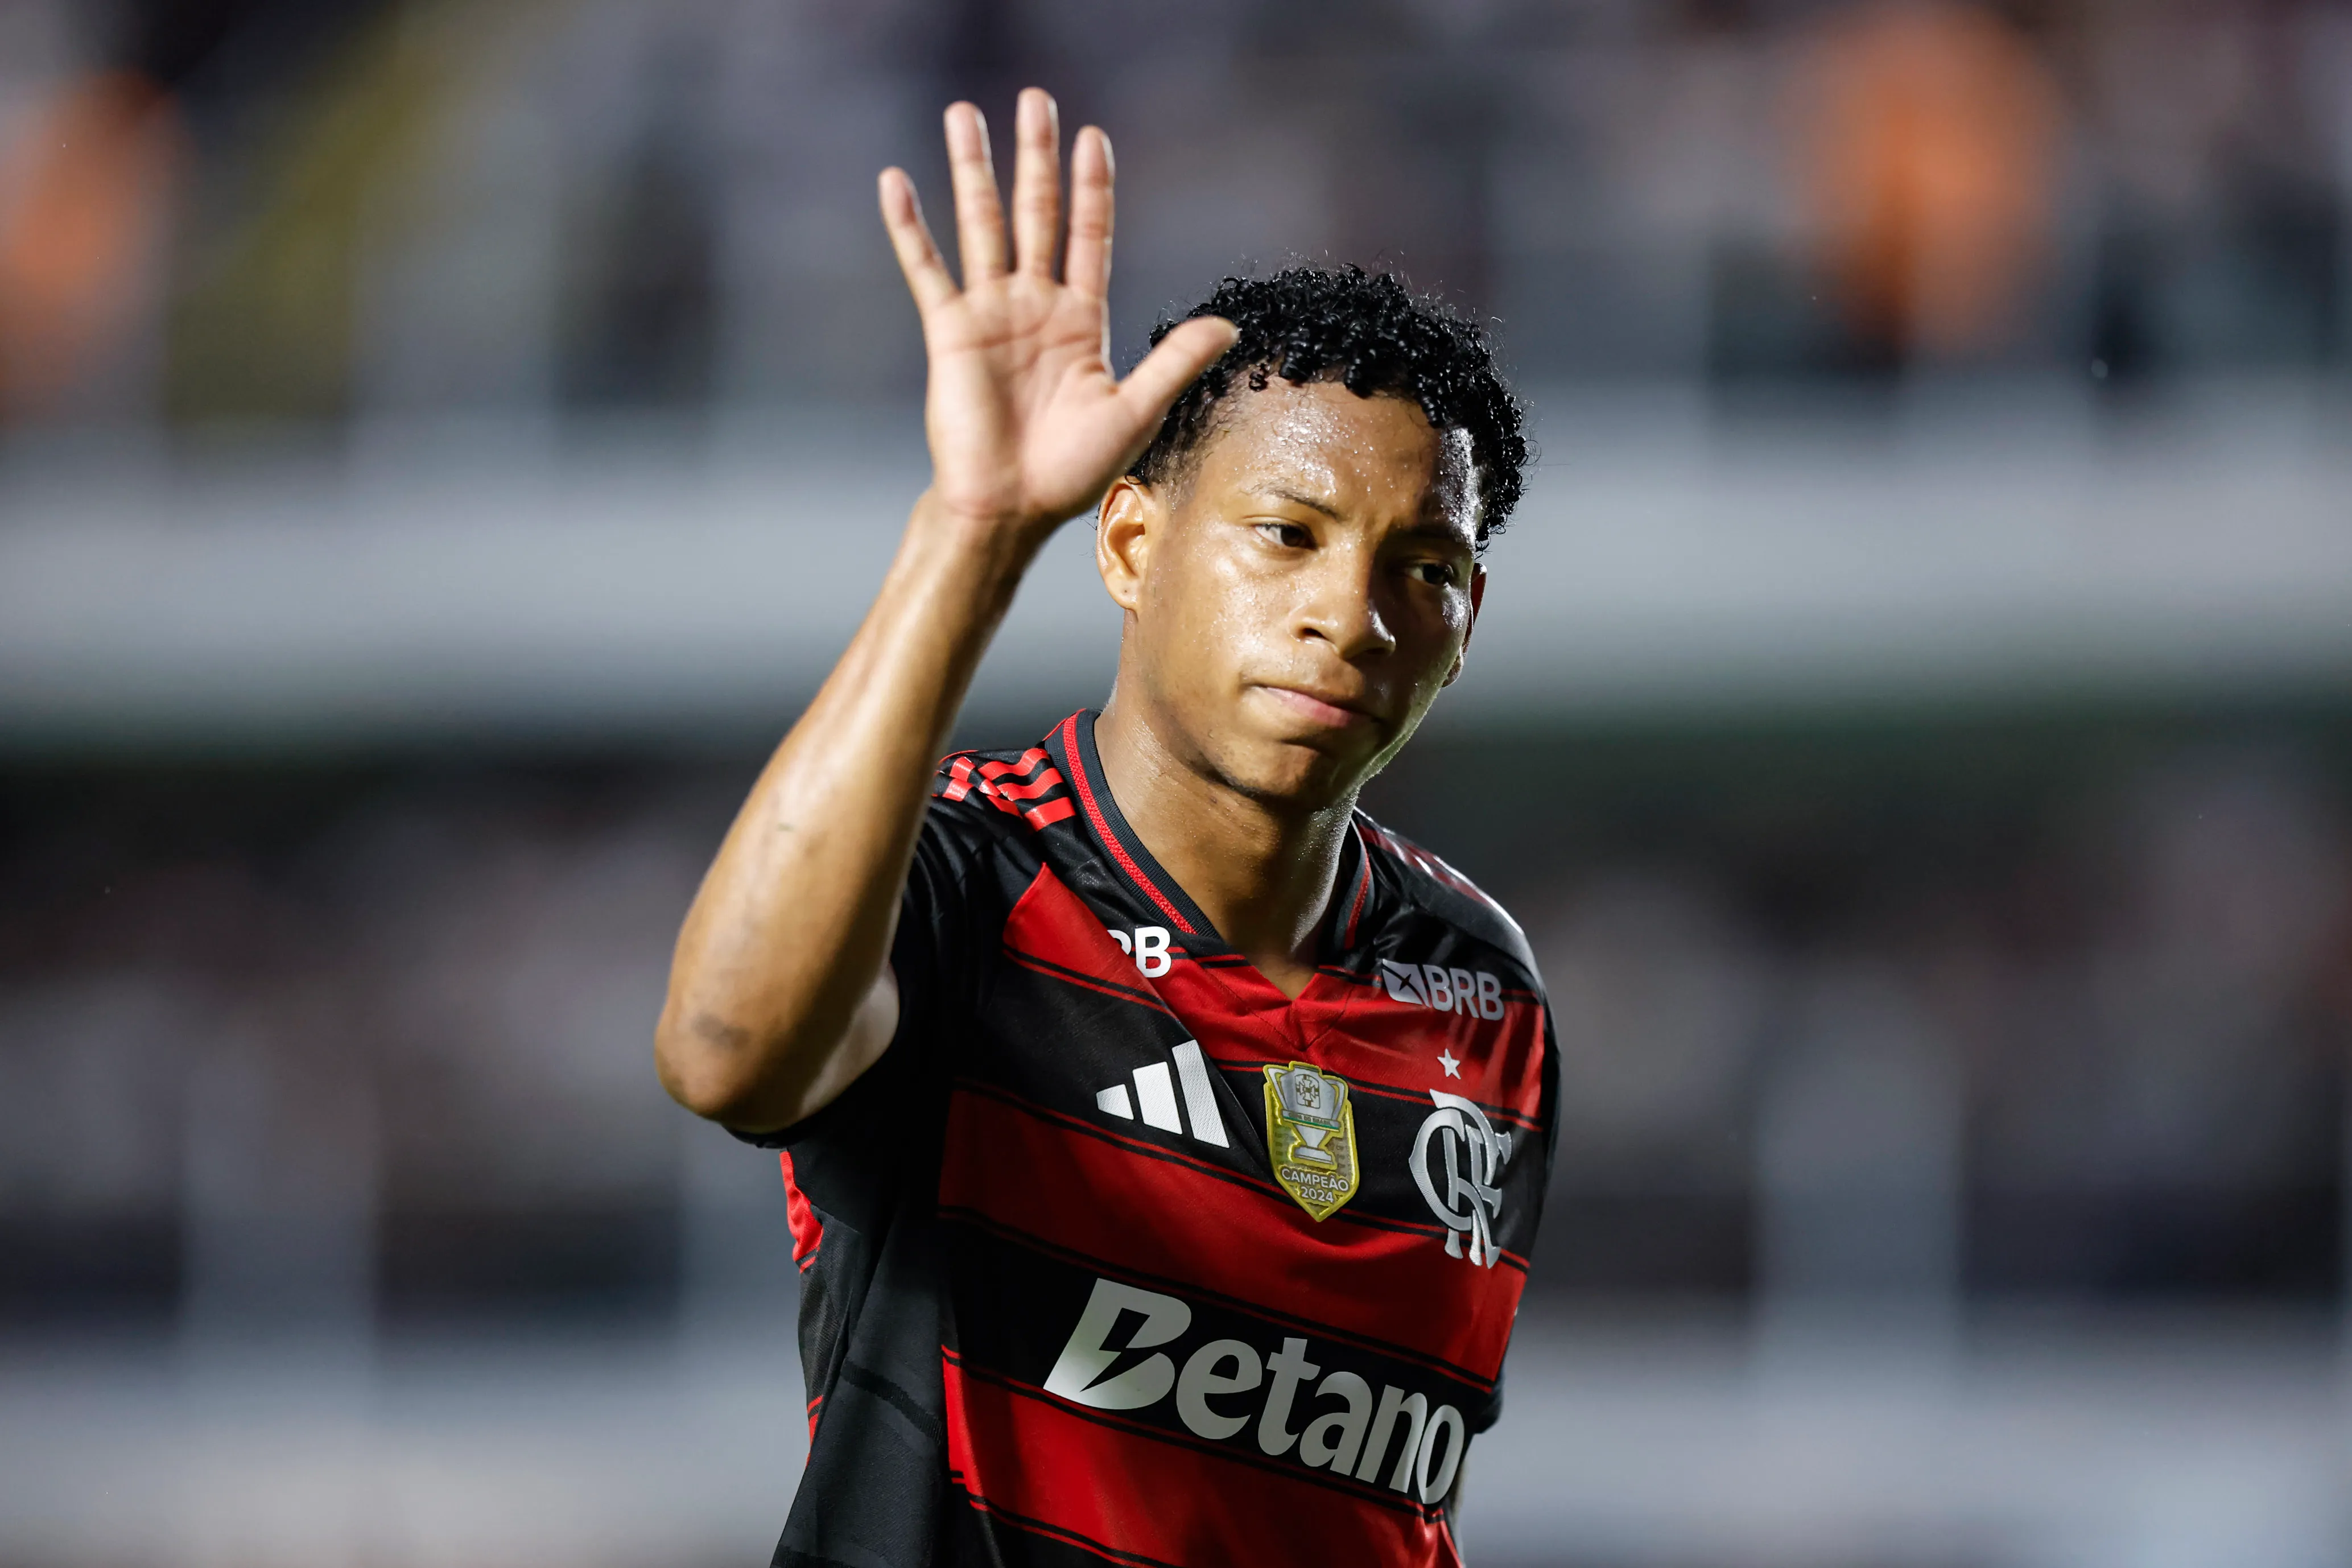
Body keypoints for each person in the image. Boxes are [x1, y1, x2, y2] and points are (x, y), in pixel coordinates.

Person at [657, 86, 1554, 1567]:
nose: (1350, 613)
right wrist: (974, 535)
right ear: (1133, 543)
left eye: (1423, 566)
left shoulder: (1481, 986)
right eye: (1288, 534)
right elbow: (722, 1053)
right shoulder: (967, 879)